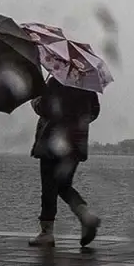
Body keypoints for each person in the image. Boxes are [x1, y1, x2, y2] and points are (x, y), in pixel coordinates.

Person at [28, 77, 101, 247]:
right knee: (63, 185)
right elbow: (94, 112)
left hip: (52, 142)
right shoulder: (87, 86)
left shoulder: (55, 82)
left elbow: (45, 108)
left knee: (49, 187)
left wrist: (35, 101)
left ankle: (46, 233)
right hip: (75, 144)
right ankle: (85, 215)